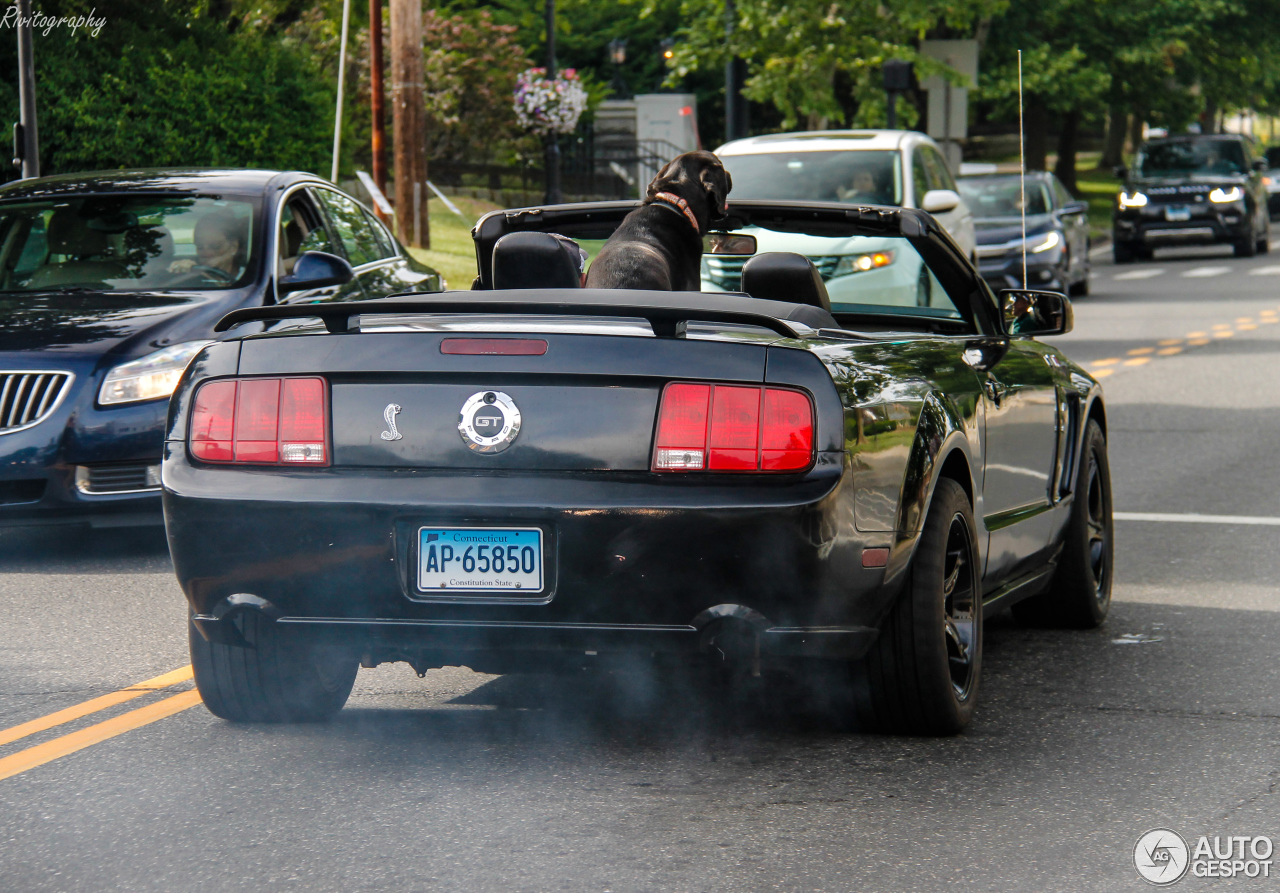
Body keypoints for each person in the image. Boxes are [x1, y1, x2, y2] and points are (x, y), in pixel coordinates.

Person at [169, 209, 245, 279]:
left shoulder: (250, 280)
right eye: (200, 247)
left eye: (216, 247)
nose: (206, 253)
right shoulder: (193, 273)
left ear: (233, 247)